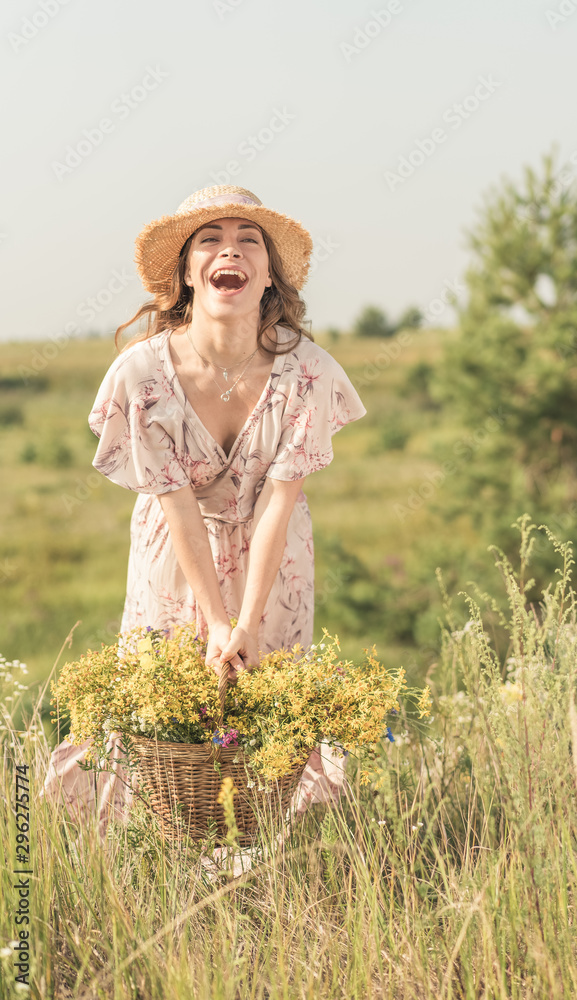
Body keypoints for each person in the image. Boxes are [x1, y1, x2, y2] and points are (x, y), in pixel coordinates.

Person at [43, 185, 367, 841]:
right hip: (174, 553)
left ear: (268, 273)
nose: (231, 250)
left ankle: (258, 861)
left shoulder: (308, 372)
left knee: (267, 713)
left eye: (249, 240)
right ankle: (155, 857)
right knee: (164, 712)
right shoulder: (141, 375)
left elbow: (282, 500)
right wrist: (216, 622)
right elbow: (176, 507)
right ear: (188, 273)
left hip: (274, 562)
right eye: (210, 241)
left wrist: (245, 620)